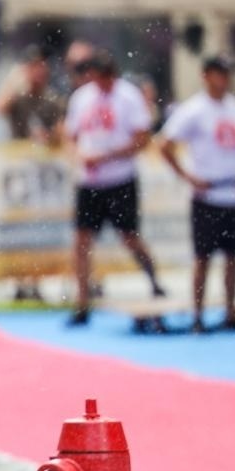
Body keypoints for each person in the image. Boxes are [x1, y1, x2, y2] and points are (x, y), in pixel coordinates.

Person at [159, 56, 235, 331]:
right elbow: (165, 144)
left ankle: (230, 309)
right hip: (207, 193)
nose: (224, 80)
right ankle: (198, 314)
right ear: (206, 76)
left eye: (226, 74)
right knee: (202, 257)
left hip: (233, 190)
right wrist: (188, 176)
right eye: (219, 74)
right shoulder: (193, 110)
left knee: (233, 256)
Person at [64, 52, 164, 324]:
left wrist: (107, 156)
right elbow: (70, 135)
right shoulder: (82, 98)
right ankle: (82, 302)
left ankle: (154, 280)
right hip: (89, 181)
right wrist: (79, 156)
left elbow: (142, 139)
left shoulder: (128, 97)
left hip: (120, 179)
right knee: (81, 241)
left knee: (130, 237)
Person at [0, 45, 64, 146]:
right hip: (17, 155)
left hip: (44, 156)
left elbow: (62, 131)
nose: (40, 71)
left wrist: (49, 136)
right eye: (35, 66)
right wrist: (16, 79)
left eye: (42, 65)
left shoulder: (52, 98)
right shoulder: (17, 95)